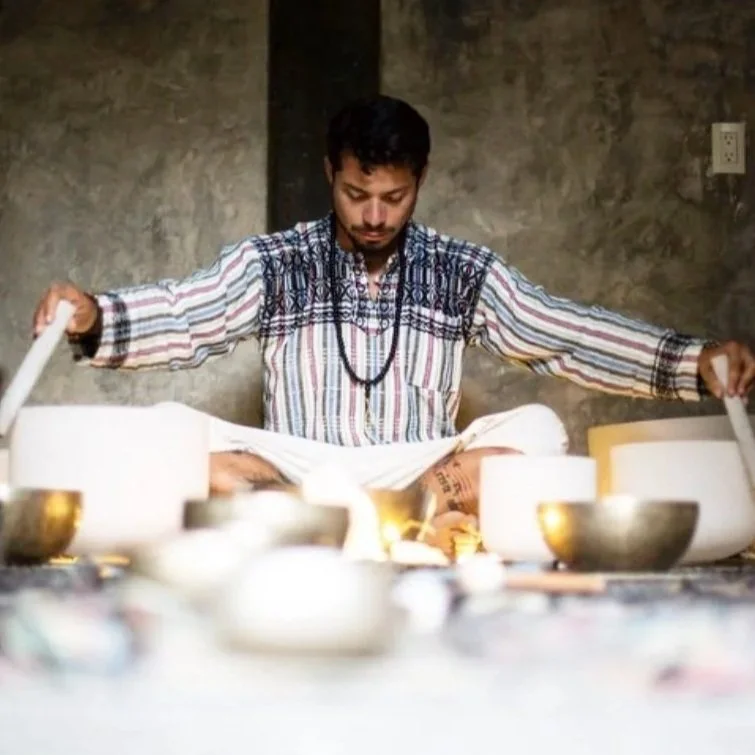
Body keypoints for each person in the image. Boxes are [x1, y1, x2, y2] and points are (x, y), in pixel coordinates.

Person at [33, 95, 755, 537]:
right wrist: (95, 314)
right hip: (296, 460)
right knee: (166, 431)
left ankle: (396, 506)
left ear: (421, 181)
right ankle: (327, 508)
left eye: (394, 196)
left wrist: (689, 360)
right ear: (329, 173)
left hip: (423, 463)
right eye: (356, 194)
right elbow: (189, 310)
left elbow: (561, 331)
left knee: (538, 430)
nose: (374, 216)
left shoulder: (461, 270)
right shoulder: (274, 262)